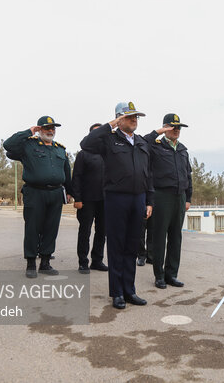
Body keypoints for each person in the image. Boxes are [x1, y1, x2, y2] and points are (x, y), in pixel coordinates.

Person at [80, 101, 153, 310]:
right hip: (116, 198)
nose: (134, 120)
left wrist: (150, 200)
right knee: (117, 246)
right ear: (119, 118)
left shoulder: (140, 143)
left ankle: (129, 290)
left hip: (138, 198)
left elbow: (148, 174)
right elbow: (86, 143)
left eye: (136, 117)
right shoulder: (109, 140)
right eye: (130, 116)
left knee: (132, 245)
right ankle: (117, 292)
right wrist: (110, 124)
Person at [3, 116, 74, 278]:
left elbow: (66, 172)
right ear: (39, 129)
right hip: (35, 192)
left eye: (53, 128)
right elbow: (8, 145)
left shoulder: (60, 149)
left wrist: (70, 191)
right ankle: (30, 263)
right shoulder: (28, 145)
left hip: (56, 193)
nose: (50, 131)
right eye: (47, 128)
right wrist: (29, 131)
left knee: (51, 228)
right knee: (32, 228)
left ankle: (45, 262)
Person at [143, 113, 192, 289]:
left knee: (175, 237)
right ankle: (159, 275)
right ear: (165, 128)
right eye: (172, 127)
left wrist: (189, 198)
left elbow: (188, 175)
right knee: (159, 237)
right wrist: (159, 132)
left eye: (178, 127)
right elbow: (142, 141)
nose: (176, 130)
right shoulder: (156, 146)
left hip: (180, 197)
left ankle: (172, 274)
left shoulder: (182, 150)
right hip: (161, 196)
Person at [73, 123, 108, 274]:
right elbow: (77, 177)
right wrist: (77, 198)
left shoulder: (108, 154)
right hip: (87, 200)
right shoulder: (83, 154)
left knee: (102, 231)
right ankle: (83, 262)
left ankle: (97, 260)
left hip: (105, 200)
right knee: (85, 231)